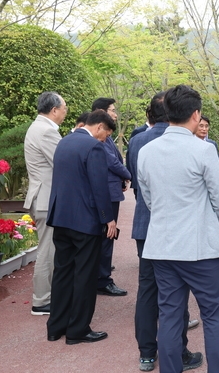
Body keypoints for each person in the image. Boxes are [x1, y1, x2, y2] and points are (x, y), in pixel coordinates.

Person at [138, 85, 219, 373]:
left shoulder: (146, 150)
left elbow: (149, 199)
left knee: (169, 316)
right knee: (214, 316)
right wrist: (208, 227)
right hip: (201, 249)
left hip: (162, 247)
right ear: (195, 114)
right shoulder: (203, 150)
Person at [127, 91, 202, 372]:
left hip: (144, 224)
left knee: (147, 289)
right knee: (176, 291)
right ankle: (178, 352)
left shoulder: (137, 141)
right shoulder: (184, 140)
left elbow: (135, 180)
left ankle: (146, 353)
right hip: (176, 227)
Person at [46, 110, 117, 344]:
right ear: (98, 127)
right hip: (85, 222)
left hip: (60, 218)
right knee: (85, 276)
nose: (104, 139)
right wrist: (108, 218)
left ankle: (56, 327)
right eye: (105, 134)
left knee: (62, 273)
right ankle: (78, 330)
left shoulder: (64, 142)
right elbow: (99, 186)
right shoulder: (93, 147)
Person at [24, 91, 68, 316]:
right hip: (46, 199)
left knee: (49, 249)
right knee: (47, 250)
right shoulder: (46, 132)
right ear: (54, 110)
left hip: (43, 197)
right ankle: (41, 300)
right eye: (64, 108)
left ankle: (46, 297)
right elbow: (63, 161)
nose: (65, 112)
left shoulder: (38, 127)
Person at [91, 97, 130, 296]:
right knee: (108, 233)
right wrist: (129, 175)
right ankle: (103, 279)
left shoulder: (106, 137)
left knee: (107, 235)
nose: (115, 114)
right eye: (112, 110)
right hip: (107, 192)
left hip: (112, 189)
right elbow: (112, 163)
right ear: (102, 112)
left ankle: (103, 272)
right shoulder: (101, 138)